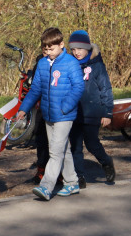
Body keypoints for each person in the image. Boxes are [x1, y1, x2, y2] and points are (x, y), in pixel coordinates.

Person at [16, 27, 85, 201]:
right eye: (45, 49)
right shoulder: (42, 63)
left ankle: (46, 187)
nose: (48, 53)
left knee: (55, 152)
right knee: (64, 150)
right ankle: (72, 182)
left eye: (51, 49)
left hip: (64, 115)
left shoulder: (71, 63)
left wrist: (65, 106)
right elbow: (36, 89)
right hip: (48, 114)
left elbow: (78, 87)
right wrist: (23, 109)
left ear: (61, 44)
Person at [66, 30, 116, 187]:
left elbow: (105, 89)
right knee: (76, 147)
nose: (76, 52)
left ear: (87, 48)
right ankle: (79, 177)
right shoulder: (69, 64)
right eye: (73, 49)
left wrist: (107, 112)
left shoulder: (97, 66)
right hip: (74, 113)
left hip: (92, 112)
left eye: (80, 49)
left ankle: (106, 162)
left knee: (92, 144)